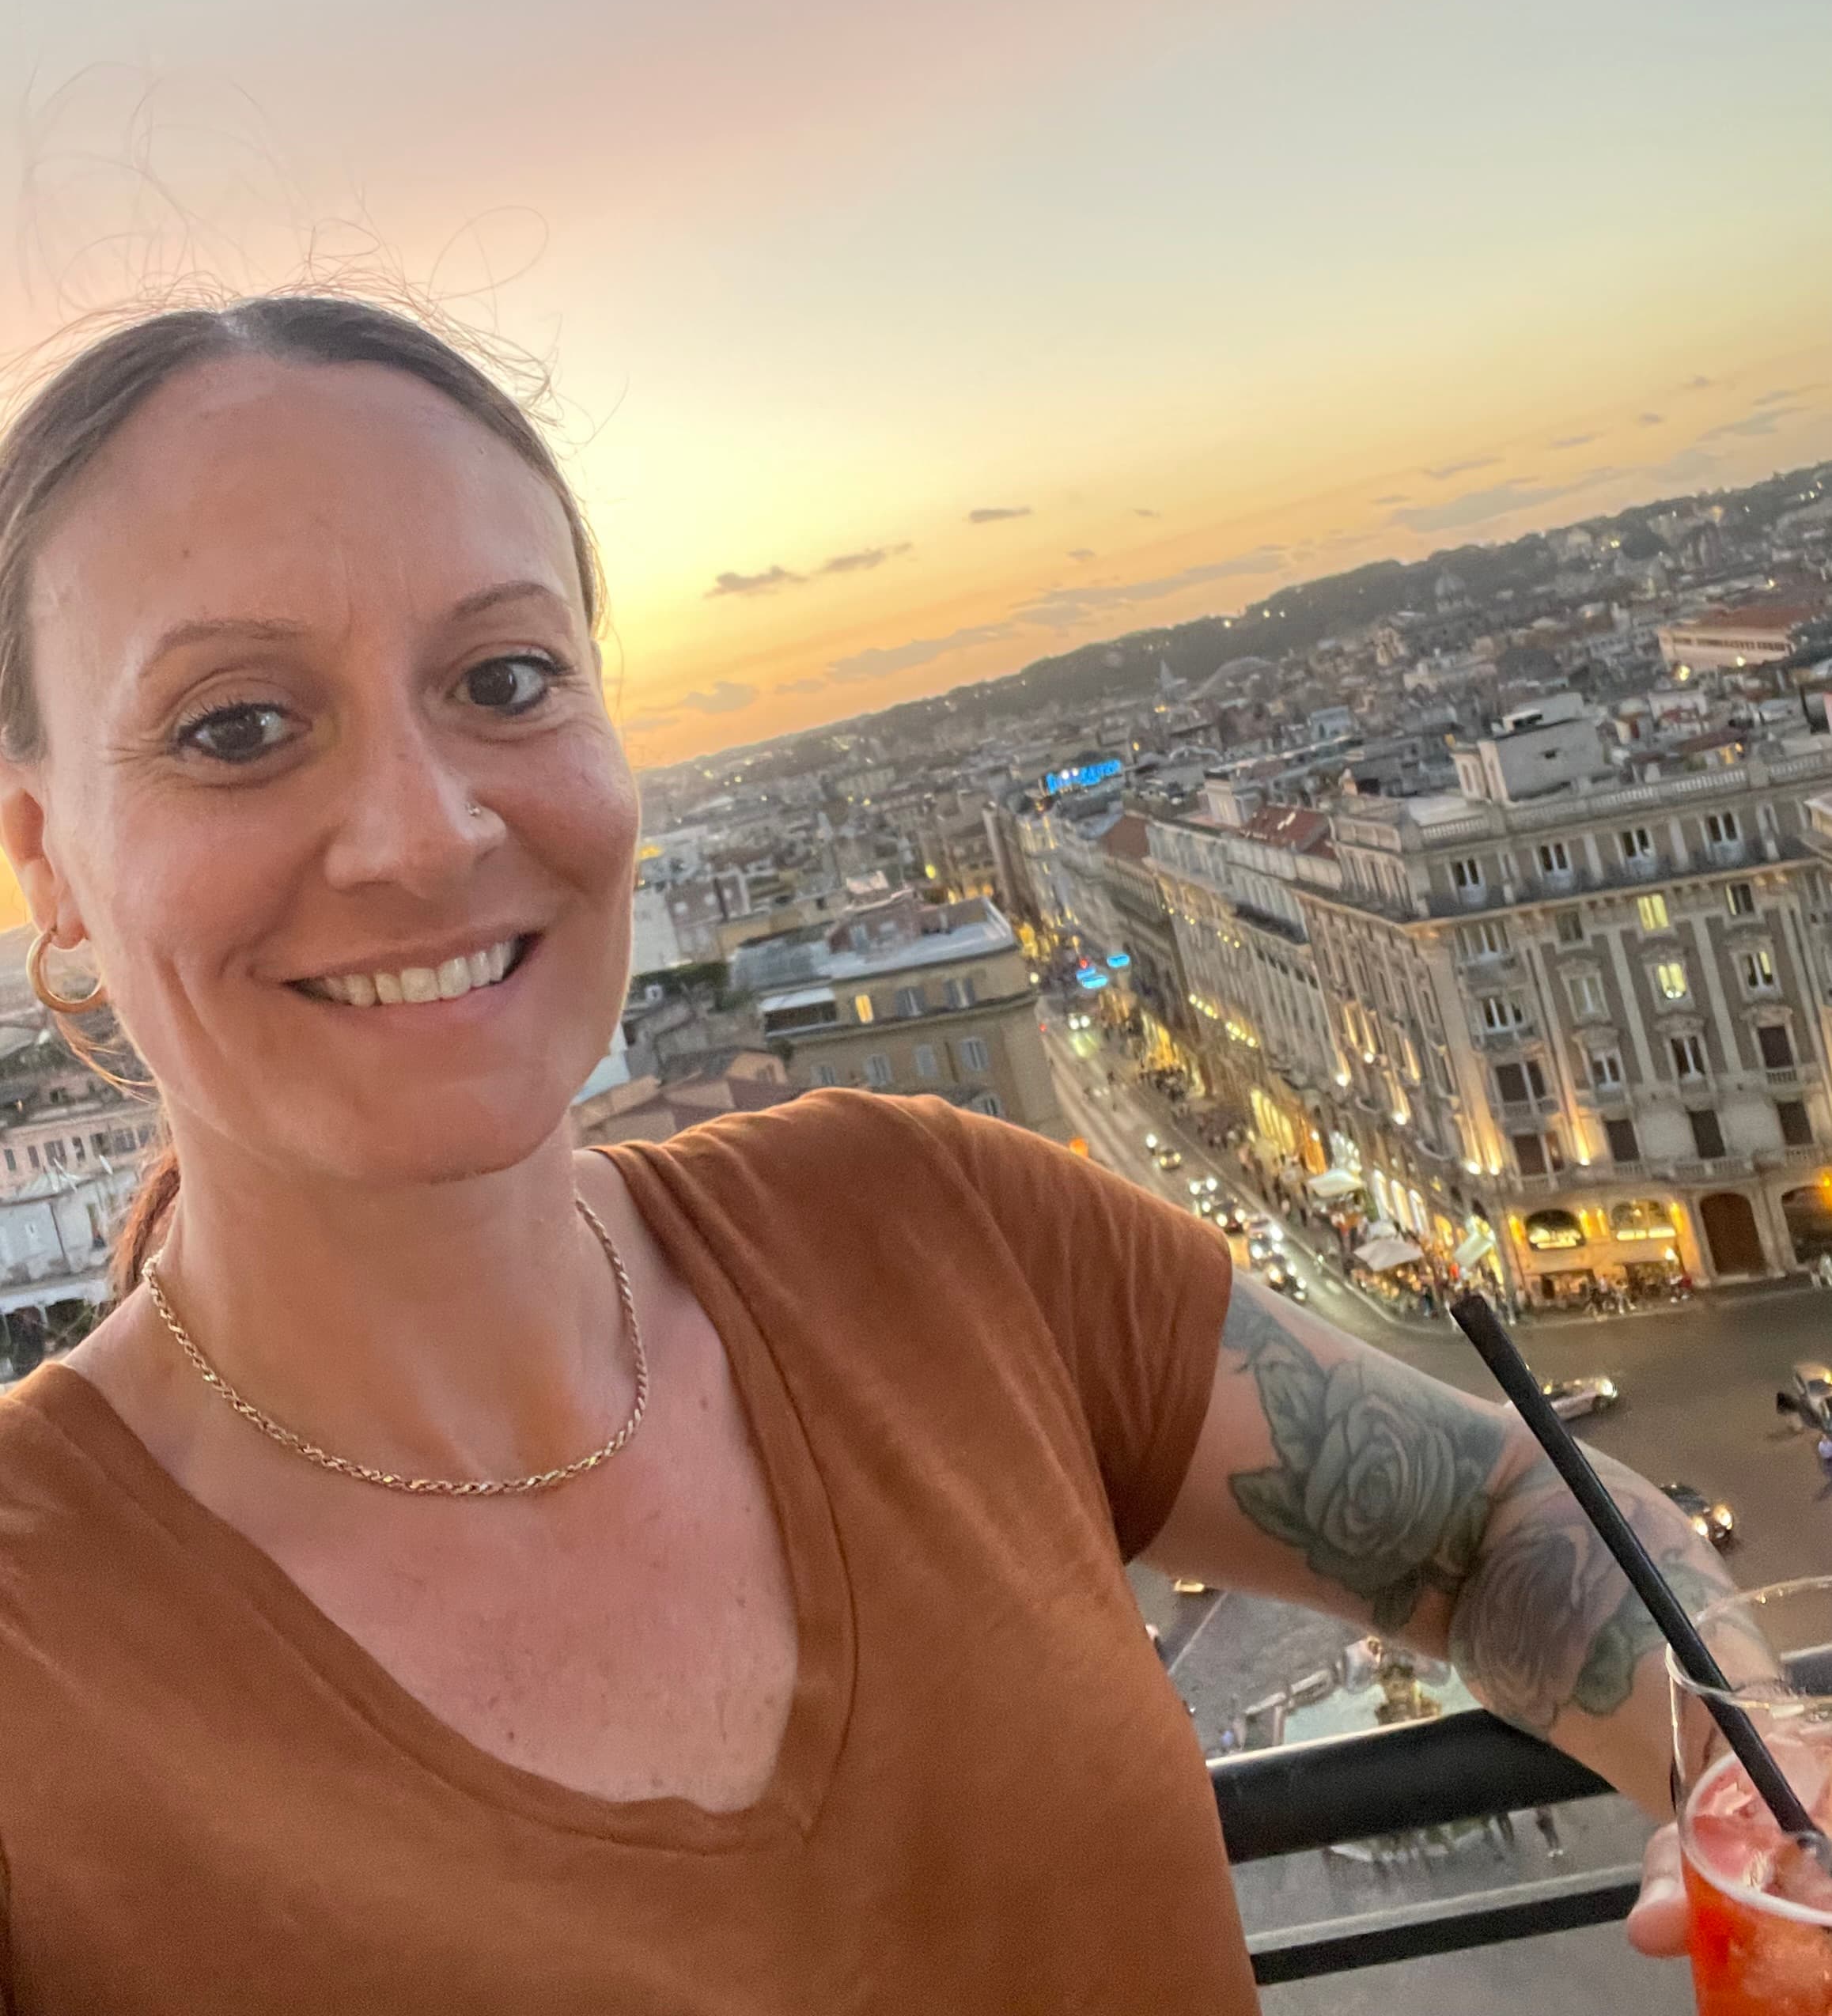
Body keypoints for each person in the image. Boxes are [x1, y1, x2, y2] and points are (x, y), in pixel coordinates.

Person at [0, 293, 1712, 2010]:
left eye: (505, 679)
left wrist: (1750, 1771)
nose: (425, 833)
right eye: (235, 726)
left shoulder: (927, 1225)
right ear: (44, 857)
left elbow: (1492, 1518)